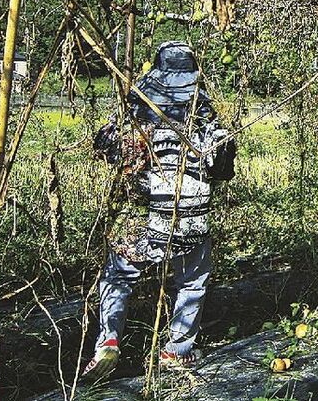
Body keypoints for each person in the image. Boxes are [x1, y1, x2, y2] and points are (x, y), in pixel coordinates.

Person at [82, 41, 234, 380]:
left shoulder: (134, 109)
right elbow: (223, 166)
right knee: (192, 280)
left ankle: (108, 340)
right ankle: (176, 350)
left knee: (118, 278)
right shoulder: (203, 114)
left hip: (140, 219)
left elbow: (105, 147)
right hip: (189, 219)